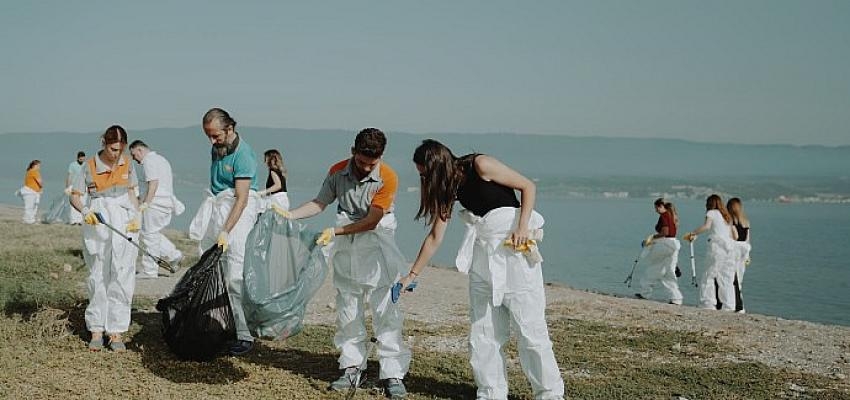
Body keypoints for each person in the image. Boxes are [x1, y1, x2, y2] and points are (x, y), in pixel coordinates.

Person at [398, 139, 564, 400]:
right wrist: (411, 275)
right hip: (482, 255)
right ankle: (491, 393)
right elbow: (435, 237)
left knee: (530, 329)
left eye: (425, 174)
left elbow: (527, 187)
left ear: (437, 166)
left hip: (514, 251)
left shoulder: (480, 165)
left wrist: (522, 226)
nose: (423, 180)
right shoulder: (448, 189)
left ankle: (550, 394)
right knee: (483, 331)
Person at [286, 128, 411, 398]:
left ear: (381, 157)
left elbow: (372, 220)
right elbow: (320, 203)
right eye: (362, 161)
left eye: (372, 163)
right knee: (348, 307)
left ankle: (393, 374)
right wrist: (289, 214)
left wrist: (336, 232)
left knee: (384, 310)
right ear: (352, 151)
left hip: (377, 244)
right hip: (347, 244)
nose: (366, 168)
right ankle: (352, 366)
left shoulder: (387, 177)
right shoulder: (337, 171)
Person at [69, 125, 141, 351]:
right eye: (112, 149)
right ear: (104, 143)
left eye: (120, 149)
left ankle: (116, 330)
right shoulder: (89, 166)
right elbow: (75, 196)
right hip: (98, 220)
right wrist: (84, 211)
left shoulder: (128, 164)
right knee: (98, 273)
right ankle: (97, 328)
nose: (116, 154)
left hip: (124, 219)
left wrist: (137, 216)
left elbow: (132, 193)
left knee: (122, 273)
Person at [198, 108, 262, 356]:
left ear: (230, 128)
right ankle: (219, 324)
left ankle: (244, 335)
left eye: (215, 136)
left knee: (235, 274)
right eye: (208, 136)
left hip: (238, 214)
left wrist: (226, 231)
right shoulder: (217, 148)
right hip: (219, 208)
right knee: (213, 269)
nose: (212, 141)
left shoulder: (244, 155)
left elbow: (242, 199)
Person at [129, 140, 185, 279]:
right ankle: (173, 254)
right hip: (165, 202)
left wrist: (145, 203)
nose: (134, 159)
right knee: (151, 233)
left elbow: (153, 183)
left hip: (155, 203)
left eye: (134, 154)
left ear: (140, 150)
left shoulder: (149, 161)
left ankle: (150, 270)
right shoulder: (162, 159)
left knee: (149, 235)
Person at [683, 194, 738, 311]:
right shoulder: (726, 216)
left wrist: (693, 233)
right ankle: (729, 305)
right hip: (729, 249)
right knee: (726, 278)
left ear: (709, 204)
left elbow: (707, 227)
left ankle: (707, 303)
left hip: (717, 247)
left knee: (708, 275)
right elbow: (733, 236)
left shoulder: (711, 213)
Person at [635, 199, 683, 305]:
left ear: (661, 206)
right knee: (668, 272)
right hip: (674, 245)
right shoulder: (672, 216)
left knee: (653, 269)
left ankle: (645, 293)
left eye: (656, 207)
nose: (656, 210)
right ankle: (676, 298)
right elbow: (671, 233)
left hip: (665, 245)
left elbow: (664, 233)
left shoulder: (664, 216)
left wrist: (651, 238)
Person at [727, 197, 751, 313]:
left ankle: (734, 303)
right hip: (744, 251)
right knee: (739, 278)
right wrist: (748, 256)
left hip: (734, 249)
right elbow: (747, 239)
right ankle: (740, 305)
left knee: (731, 278)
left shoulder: (730, 221)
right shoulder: (746, 221)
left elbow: (732, 237)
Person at [66, 151, 87, 225]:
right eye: (80, 159)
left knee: (82, 203)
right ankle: (74, 220)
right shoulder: (72, 165)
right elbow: (69, 176)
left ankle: (81, 221)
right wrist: (68, 187)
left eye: (83, 159)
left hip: (83, 186)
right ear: (78, 158)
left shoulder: (86, 165)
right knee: (74, 203)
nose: (82, 160)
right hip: (74, 186)